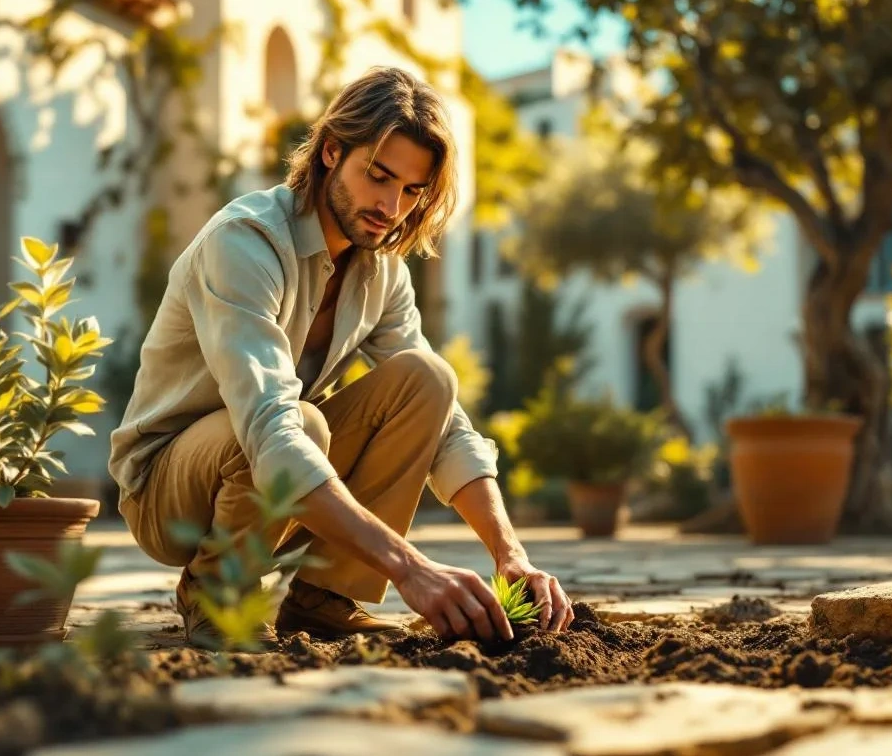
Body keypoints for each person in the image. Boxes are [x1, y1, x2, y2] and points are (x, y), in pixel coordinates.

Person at [108, 66, 574, 649]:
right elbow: (270, 427)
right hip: (167, 492)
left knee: (428, 380)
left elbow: (446, 426)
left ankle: (324, 598)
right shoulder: (244, 242)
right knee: (301, 423)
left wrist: (510, 554)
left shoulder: (382, 272)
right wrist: (410, 568)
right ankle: (218, 593)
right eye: (378, 176)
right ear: (331, 151)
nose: (391, 206)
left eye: (412, 190)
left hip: (270, 475)